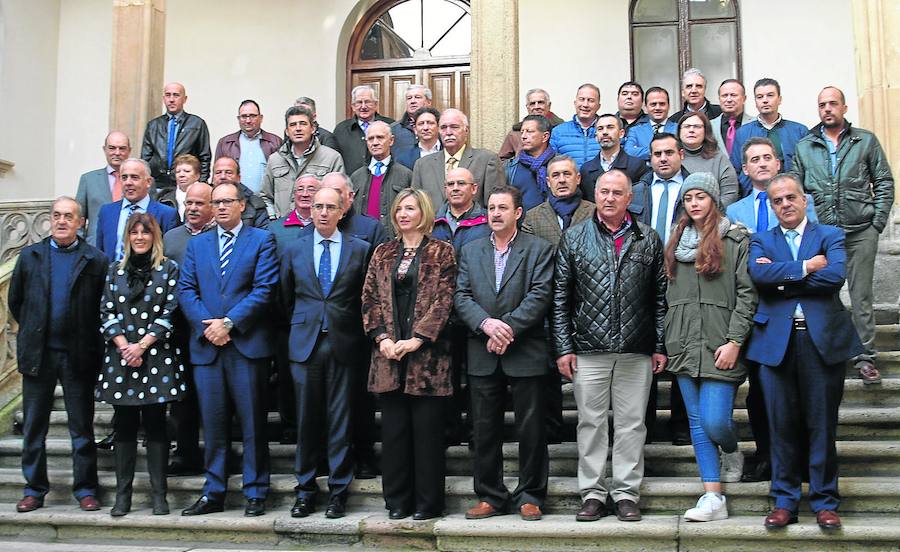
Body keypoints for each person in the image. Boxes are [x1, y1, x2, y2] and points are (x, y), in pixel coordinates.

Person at [745, 174, 864, 531]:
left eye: (790, 197)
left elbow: (836, 277)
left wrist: (783, 277)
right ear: (771, 205)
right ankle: (785, 501)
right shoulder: (760, 240)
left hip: (821, 341)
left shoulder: (830, 235)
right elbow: (759, 278)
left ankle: (825, 501)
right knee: (781, 425)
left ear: (804, 199)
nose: (785, 204)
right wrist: (807, 267)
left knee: (821, 424)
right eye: (777, 200)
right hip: (775, 343)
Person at [552, 170, 667, 522]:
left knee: (632, 424)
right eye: (604, 191)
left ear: (629, 198)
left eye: (618, 192)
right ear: (595, 195)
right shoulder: (574, 238)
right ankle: (592, 493)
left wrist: (659, 345)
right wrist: (563, 347)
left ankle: (626, 493)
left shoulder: (648, 239)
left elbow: (659, 298)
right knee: (590, 423)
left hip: (636, 347)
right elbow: (560, 298)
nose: (610, 198)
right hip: (588, 348)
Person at [178, 182, 278, 517]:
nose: (220, 207)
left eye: (226, 201)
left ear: (242, 205)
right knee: (214, 424)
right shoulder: (198, 245)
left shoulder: (262, 241)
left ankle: (255, 492)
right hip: (208, 348)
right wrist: (209, 326)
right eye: (215, 202)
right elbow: (186, 290)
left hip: (246, 347)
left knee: (252, 424)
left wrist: (230, 324)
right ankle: (214, 491)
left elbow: (264, 290)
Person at [455, 185, 554, 521]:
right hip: (483, 349)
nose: (495, 213)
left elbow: (540, 295)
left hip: (525, 349)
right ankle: (490, 495)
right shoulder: (470, 250)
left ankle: (531, 495)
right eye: (491, 208)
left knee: (531, 428)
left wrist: (506, 328)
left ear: (518, 212)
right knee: (483, 429)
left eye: (502, 208)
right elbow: (461, 296)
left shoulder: (538, 249)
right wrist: (486, 325)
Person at [662, 173, 757, 522]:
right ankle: (713, 497)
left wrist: (735, 341)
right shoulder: (674, 242)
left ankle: (731, 450)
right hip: (683, 343)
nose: (695, 204)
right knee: (698, 424)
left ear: (714, 199)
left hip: (721, 343)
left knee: (716, 420)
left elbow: (748, 294)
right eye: (689, 199)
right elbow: (665, 296)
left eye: (701, 197)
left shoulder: (735, 240)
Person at [724, 137, 817, 483]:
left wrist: (778, 268)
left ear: (778, 163)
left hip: (794, 308)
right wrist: (789, 267)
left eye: (767, 157)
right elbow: (743, 267)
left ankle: (801, 460)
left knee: (796, 391)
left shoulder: (806, 206)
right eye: (753, 160)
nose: (761, 163)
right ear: (744, 169)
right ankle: (766, 456)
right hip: (754, 310)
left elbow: (809, 255)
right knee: (760, 393)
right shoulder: (734, 213)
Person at [361, 189, 457, 520]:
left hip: (427, 360)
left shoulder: (442, 252)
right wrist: (382, 337)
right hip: (388, 357)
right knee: (395, 435)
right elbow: (369, 298)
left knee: (428, 436)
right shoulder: (382, 253)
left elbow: (444, 302)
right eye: (399, 208)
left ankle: (428, 504)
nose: (403, 214)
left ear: (424, 212)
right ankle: (397, 501)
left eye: (411, 208)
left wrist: (418, 339)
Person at [9, 197, 107, 514]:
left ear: (81, 222)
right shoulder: (30, 256)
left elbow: (101, 309)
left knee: (82, 429)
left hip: (78, 354)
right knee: (34, 430)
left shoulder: (95, 260)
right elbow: (17, 302)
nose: (62, 221)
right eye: (56, 215)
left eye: (69, 216)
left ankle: (86, 489)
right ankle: (33, 490)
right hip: (39, 355)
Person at [792, 86, 894, 385]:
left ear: (844, 107)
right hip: (824, 235)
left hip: (861, 230)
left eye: (832, 104)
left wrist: (876, 223)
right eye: (822, 104)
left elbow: (884, 182)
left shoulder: (865, 140)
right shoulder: (805, 146)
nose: (827, 109)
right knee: (824, 295)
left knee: (861, 297)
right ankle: (830, 353)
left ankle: (865, 357)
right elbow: (797, 192)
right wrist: (809, 231)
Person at [280, 187, 371, 519]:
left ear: (341, 211)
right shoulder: (293, 249)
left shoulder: (360, 250)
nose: (322, 212)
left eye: (330, 207)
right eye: (317, 206)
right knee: (306, 420)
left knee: (340, 420)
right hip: (305, 344)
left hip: (345, 343)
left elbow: (365, 298)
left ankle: (338, 491)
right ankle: (305, 490)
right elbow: (285, 297)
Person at [97, 213, 184, 516]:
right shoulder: (113, 272)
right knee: (124, 427)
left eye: (145, 232)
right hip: (122, 359)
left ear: (154, 236)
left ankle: (159, 496)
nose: (139, 237)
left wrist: (143, 345)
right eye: (134, 232)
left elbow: (171, 311)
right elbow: (106, 311)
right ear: (127, 237)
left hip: (156, 357)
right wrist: (124, 346)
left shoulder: (169, 269)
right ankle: (124, 497)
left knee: (157, 426)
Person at [631, 134, 691, 444]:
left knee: (680, 347)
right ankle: (646, 424)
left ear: (681, 154)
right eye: (657, 153)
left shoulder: (695, 189)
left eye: (669, 152)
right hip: (644, 277)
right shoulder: (638, 191)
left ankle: (681, 423)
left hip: (684, 276)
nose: (663, 158)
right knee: (645, 352)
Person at [163, 182, 214, 476]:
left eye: (199, 204)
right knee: (182, 397)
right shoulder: (171, 239)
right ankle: (184, 452)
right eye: (189, 203)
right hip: (178, 329)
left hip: (212, 327)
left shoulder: (217, 238)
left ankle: (217, 453)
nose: (192, 208)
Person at [260, 105, 344, 218]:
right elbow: (266, 196)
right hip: (284, 227)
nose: (298, 128)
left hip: (318, 226)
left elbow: (339, 196)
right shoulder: (275, 160)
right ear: (287, 131)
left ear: (313, 128)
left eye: (303, 124)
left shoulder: (331, 158)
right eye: (293, 125)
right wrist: (273, 219)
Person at [412, 108, 505, 209]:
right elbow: (416, 206)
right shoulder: (422, 165)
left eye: (454, 127)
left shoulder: (486, 160)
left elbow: (495, 206)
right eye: (443, 127)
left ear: (466, 131)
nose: (448, 132)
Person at [730, 78, 809, 195]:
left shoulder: (799, 131)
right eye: (760, 97)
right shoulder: (742, 133)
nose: (765, 100)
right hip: (754, 197)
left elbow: (808, 170)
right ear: (755, 101)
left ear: (779, 99)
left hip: (790, 197)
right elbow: (736, 170)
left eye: (770, 95)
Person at [95, 158, 179, 261]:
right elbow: (100, 252)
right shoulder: (107, 212)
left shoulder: (167, 214)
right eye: (124, 177)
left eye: (134, 177)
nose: (128, 182)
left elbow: (168, 255)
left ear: (148, 182)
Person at [140, 82, 211, 191]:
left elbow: (204, 157)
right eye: (168, 95)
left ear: (184, 99)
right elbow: (145, 158)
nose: (171, 99)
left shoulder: (196, 124)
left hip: (187, 185)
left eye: (176, 95)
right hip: (158, 184)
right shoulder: (153, 125)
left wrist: (201, 184)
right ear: (164, 99)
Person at [351, 121, 413, 237]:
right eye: (370, 139)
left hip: (394, 241)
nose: (375, 143)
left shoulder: (406, 175)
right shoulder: (356, 177)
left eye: (380, 138)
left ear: (391, 140)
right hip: (362, 241)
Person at [522, 155, 595, 248]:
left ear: (578, 178)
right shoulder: (532, 218)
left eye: (567, 174)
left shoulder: (595, 213)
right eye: (555, 175)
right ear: (548, 182)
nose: (562, 180)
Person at [76, 131, 132, 246]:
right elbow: (77, 220)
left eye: (122, 148)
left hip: (129, 248)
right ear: (104, 149)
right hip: (95, 248)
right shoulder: (88, 180)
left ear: (129, 151)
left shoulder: (141, 181)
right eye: (112, 148)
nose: (117, 153)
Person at [214, 99, 283, 193]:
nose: (248, 120)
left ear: (261, 118)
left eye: (252, 116)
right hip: (234, 201)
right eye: (243, 116)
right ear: (238, 119)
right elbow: (217, 176)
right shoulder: (225, 143)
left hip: (266, 202)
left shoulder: (275, 142)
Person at [677, 112, 740, 207]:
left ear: (706, 131)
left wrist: (710, 212)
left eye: (697, 126)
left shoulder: (718, 158)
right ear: (679, 130)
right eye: (687, 126)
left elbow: (730, 194)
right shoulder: (672, 156)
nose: (691, 130)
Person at [580, 114, 649, 200]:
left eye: (610, 127)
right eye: (600, 129)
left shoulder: (637, 166)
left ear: (621, 133)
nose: (605, 132)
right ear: (596, 136)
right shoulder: (586, 169)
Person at [333, 85, 395, 174]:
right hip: (351, 183)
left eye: (367, 102)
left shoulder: (391, 125)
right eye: (358, 102)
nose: (363, 106)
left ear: (376, 104)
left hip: (384, 180)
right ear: (353, 106)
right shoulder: (341, 129)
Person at [505, 115, 557, 210]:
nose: (523, 136)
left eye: (529, 132)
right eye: (522, 132)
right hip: (522, 223)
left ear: (545, 136)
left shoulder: (560, 165)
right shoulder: (511, 167)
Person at [432, 167, 490, 251]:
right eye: (451, 184)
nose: (455, 188)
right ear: (445, 190)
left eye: (461, 183)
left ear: (474, 189)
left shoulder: (487, 221)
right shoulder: (432, 222)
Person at [499, 88, 564, 160]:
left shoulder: (561, 130)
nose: (536, 107)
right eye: (532, 104)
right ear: (527, 107)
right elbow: (501, 161)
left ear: (549, 105)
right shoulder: (515, 134)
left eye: (540, 102)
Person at [549, 83, 601, 169]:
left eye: (591, 100)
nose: (585, 104)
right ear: (575, 103)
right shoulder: (558, 132)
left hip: (600, 181)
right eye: (582, 99)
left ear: (598, 106)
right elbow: (551, 164)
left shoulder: (606, 131)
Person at [212, 156, 270, 229]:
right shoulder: (202, 200)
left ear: (238, 178)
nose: (223, 176)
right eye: (218, 172)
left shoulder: (255, 205)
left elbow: (263, 236)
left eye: (228, 172)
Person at [624, 87, 677, 161]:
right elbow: (628, 151)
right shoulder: (635, 131)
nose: (658, 108)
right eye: (653, 104)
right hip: (642, 172)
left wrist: (641, 150)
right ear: (645, 107)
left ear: (668, 106)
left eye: (662, 104)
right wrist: (657, 151)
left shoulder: (678, 129)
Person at [709, 79, 752, 158]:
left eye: (733, 95)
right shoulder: (709, 126)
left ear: (744, 99)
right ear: (719, 99)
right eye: (724, 95)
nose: (729, 100)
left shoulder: (756, 124)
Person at [157, 154, 201, 220]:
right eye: (178, 172)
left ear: (197, 175)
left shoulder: (207, 196)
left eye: (187, 171)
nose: (181, 175)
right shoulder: (164, 198)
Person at [391, 84, 433, 152]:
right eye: (409, 98)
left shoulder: (439, 127)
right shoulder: (393, 129)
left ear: (428, 102)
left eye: (417, 97)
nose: (412, 101)